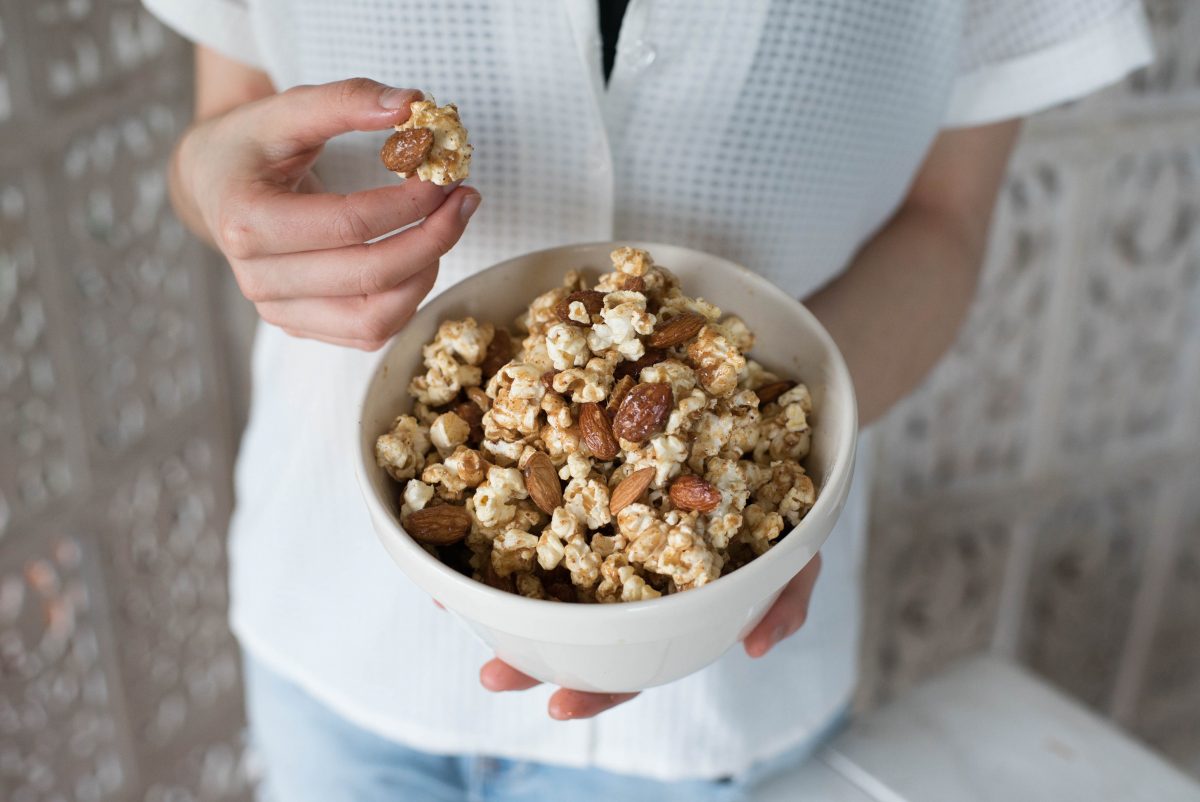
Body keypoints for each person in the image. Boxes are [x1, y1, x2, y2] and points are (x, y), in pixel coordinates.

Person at [144, 1, 1153, 799]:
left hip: (708, 701)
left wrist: (791, 461)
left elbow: (947, 221)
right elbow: (218, 132)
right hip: (333, 639)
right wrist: (212, 183)